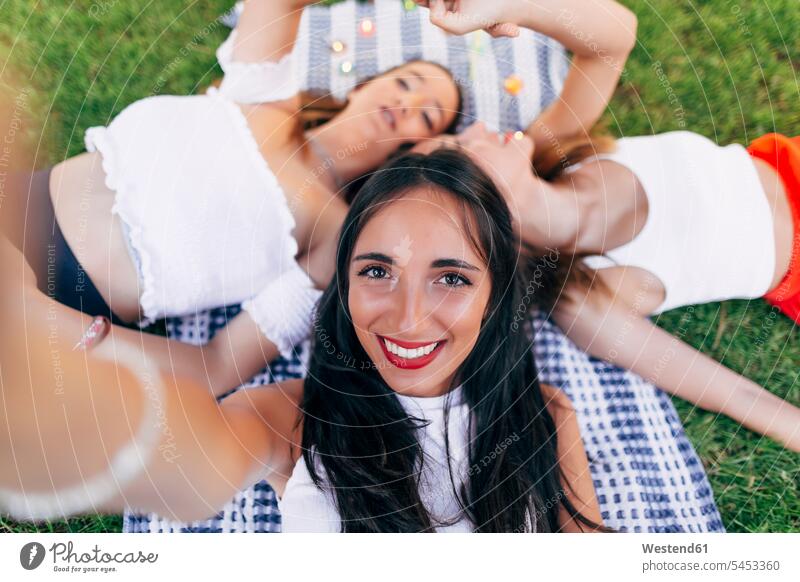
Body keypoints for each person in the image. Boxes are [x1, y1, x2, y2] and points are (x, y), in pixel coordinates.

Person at [1, 149, 602, 532]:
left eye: (451, 278)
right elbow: (191, 471)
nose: (409, 317)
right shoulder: (290, 415)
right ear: (342, 286)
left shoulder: (548, 414)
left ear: (495, 293)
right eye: (376, 271)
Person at [20, 0, 462, 396]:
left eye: (427, 115)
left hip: (58, 306)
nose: (409, 103)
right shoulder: (263, 95)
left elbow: (216, 366)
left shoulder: (339, 237)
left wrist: (86, 343)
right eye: (407, 83)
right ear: (365, 84)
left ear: (419, 148)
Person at [425, 108, 800, 454]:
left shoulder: (569, 151)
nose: (476, 127)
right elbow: (735, 394)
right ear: (473, 208)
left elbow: (614, 40)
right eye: (460, 144)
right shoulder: (581, 302)